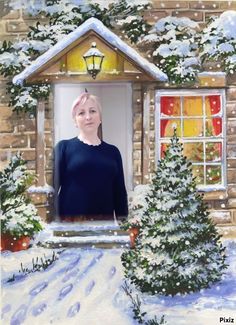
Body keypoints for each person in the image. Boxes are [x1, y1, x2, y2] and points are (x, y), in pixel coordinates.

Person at [54, 91, 128, 222]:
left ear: (100, 118)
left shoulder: (113, 152)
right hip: (70, 227)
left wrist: (124, 225)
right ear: (75, 121)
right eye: (81, 113)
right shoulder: (63, 148)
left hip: (104, 227)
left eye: (92, 111)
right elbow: (52, 190)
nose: (88, 117)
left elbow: (120, 194)